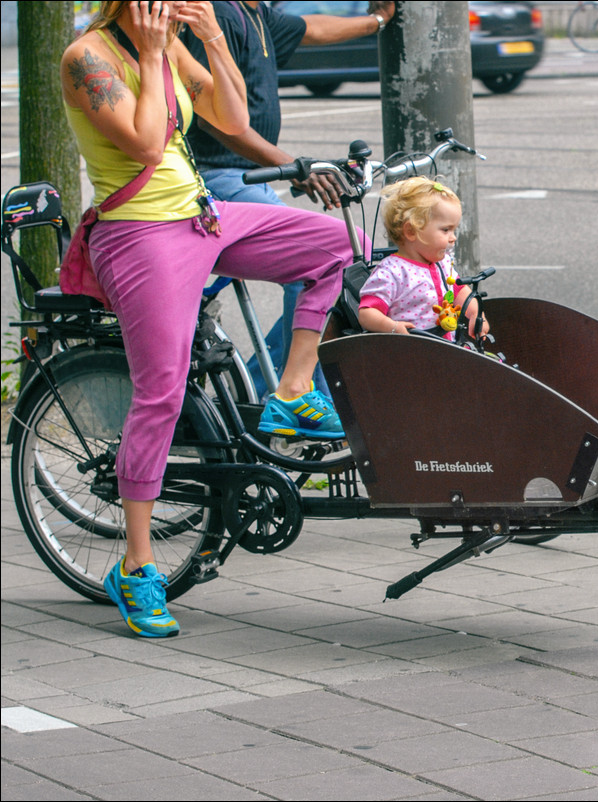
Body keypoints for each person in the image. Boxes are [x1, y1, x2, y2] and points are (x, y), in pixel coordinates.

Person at [62, 0, 355, 637]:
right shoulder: (88, 57)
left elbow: (229, 118)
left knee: (334, 244)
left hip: (203, 218)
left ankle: (292, 389)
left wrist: (214, 39)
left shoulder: (170, 43)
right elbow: (142, 147)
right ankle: (137, 566)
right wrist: (148, 52)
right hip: (139, 233)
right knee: (162, 393)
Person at [180, 0, 395, 401]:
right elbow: (207, 113)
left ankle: (268, 387)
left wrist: (377, 20)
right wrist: (294, 165)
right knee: (323, 261)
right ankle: (277, 395)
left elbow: (312, 28)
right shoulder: (221, 15)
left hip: (249, 175)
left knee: (347, 254)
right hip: (219, 175)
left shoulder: (258, 14)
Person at [357, 177, 486, 340]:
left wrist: (476, 313)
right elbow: (367, 313)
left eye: (454, 230)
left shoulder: (443, 262)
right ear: (411, 231)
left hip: (445, 345)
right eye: (446, 230)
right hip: (412, 353)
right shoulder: (392, 272)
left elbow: (459, 290)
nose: (453, 238)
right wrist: (393, 327)